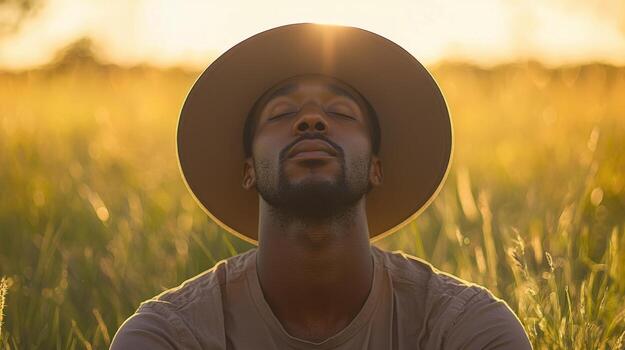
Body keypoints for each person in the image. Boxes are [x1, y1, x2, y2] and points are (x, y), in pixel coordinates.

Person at [110, 23, 532, 349]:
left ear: (376, 169)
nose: (311, 120)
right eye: (281, 113)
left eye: (341, 113)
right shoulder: (171, 336)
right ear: (248, 170)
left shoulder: (462, 329)